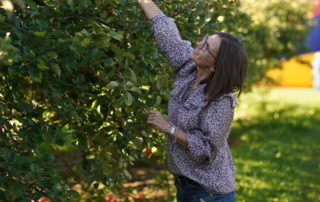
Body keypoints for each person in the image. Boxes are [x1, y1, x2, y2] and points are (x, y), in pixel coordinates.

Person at [137, 0, 248, 201]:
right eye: (205, 39)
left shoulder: (221, 101)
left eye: (206, 47)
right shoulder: (189, 69)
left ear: (215, 66)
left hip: (208, 192)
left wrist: (167, 127)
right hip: (187, 187)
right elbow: (168, 36)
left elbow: (206, 150)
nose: (199, 44)